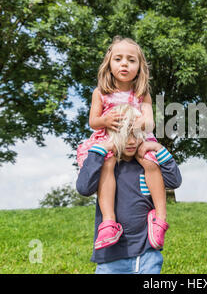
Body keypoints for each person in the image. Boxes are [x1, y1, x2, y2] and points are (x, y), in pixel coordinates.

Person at [77, 36, 168, 250]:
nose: (124, 63)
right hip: (110, 138)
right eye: (118, 59)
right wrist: (105, 120)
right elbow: (93, 121)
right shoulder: (100, 93)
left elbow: (149, 121)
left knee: (150, 162)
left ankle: (160, 218)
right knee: (107, 163)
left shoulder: (142, 93)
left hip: (136, 137)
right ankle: (108, 222)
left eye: (131, 60)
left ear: (140, 67)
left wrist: (141, 122)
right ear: (109, 64)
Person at [76, 104, 182, 274]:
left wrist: (159, 149)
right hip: (111, 259)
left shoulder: (147, 164)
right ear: (110, 135)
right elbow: (84, 188)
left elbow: (174, 180)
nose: (132, 141)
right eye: (125, 135)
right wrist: (100, 150)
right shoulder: (106, 167)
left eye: (136, 134)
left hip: (148, 255)